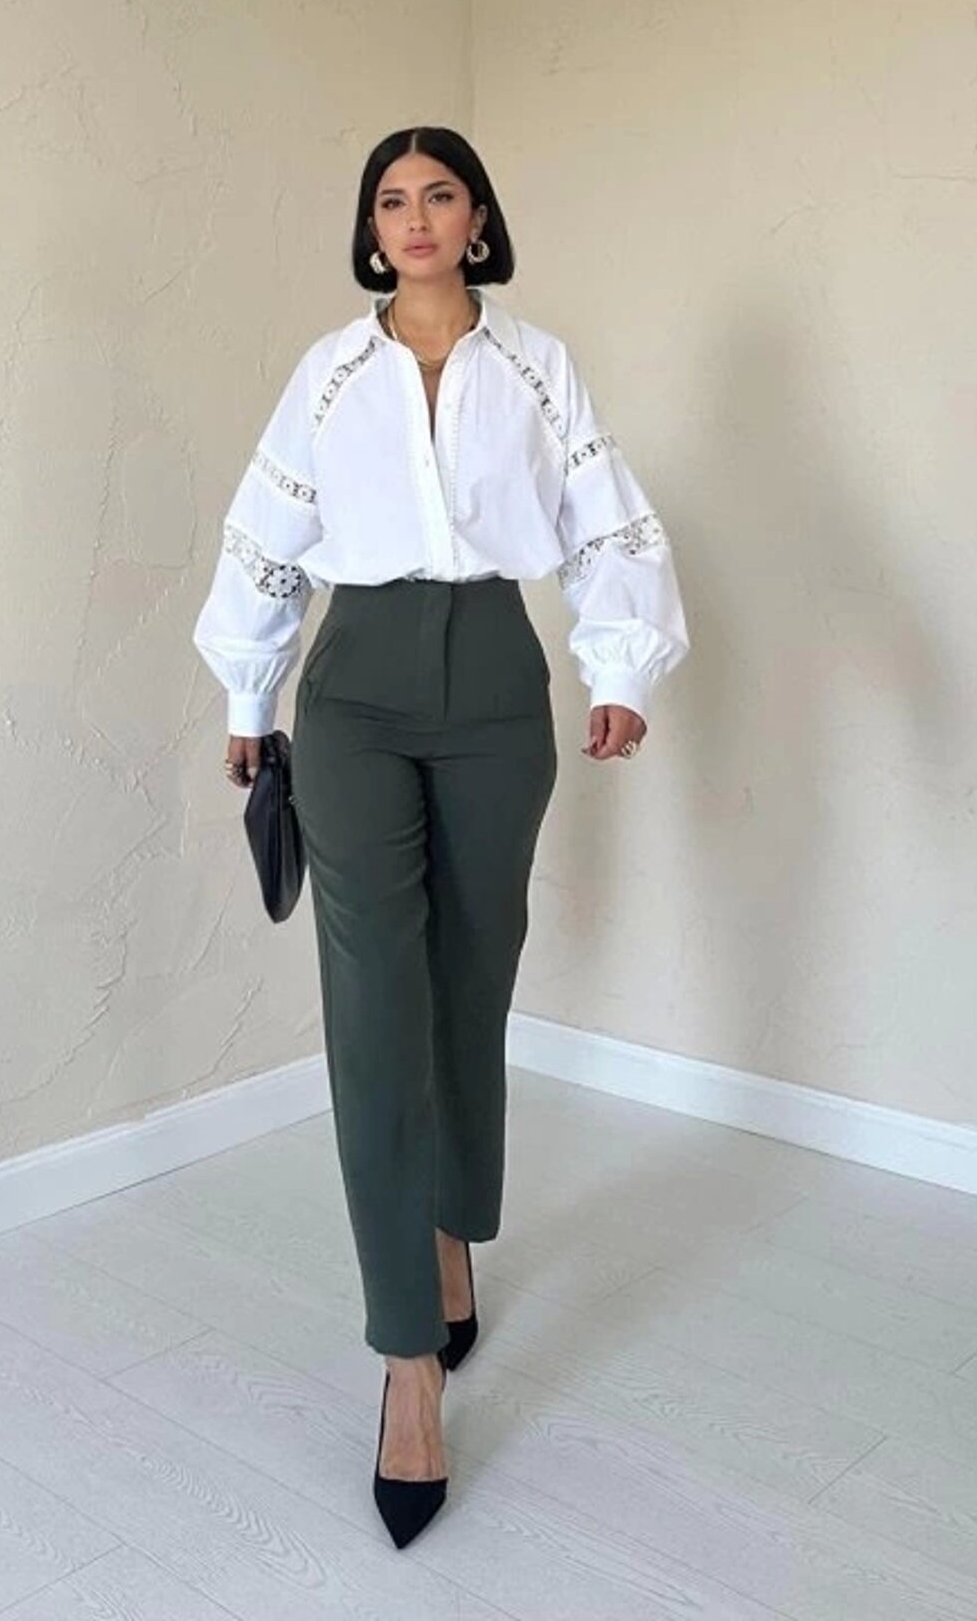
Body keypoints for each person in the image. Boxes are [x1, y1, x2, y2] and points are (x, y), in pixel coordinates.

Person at [192, 124, 690, 1548]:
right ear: (372, 228)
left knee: (472, 979)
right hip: (355, 687)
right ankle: (407, 1359)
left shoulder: (538, 365)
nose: (414, 217)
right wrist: (249, 692)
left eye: (440, 195)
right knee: (372, 1004)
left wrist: (619, 667)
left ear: (479, 219)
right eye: (391, 199)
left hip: (494, 683)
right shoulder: (326, 371)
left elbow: (604, 520)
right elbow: (266, 530)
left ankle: (452, 1231)